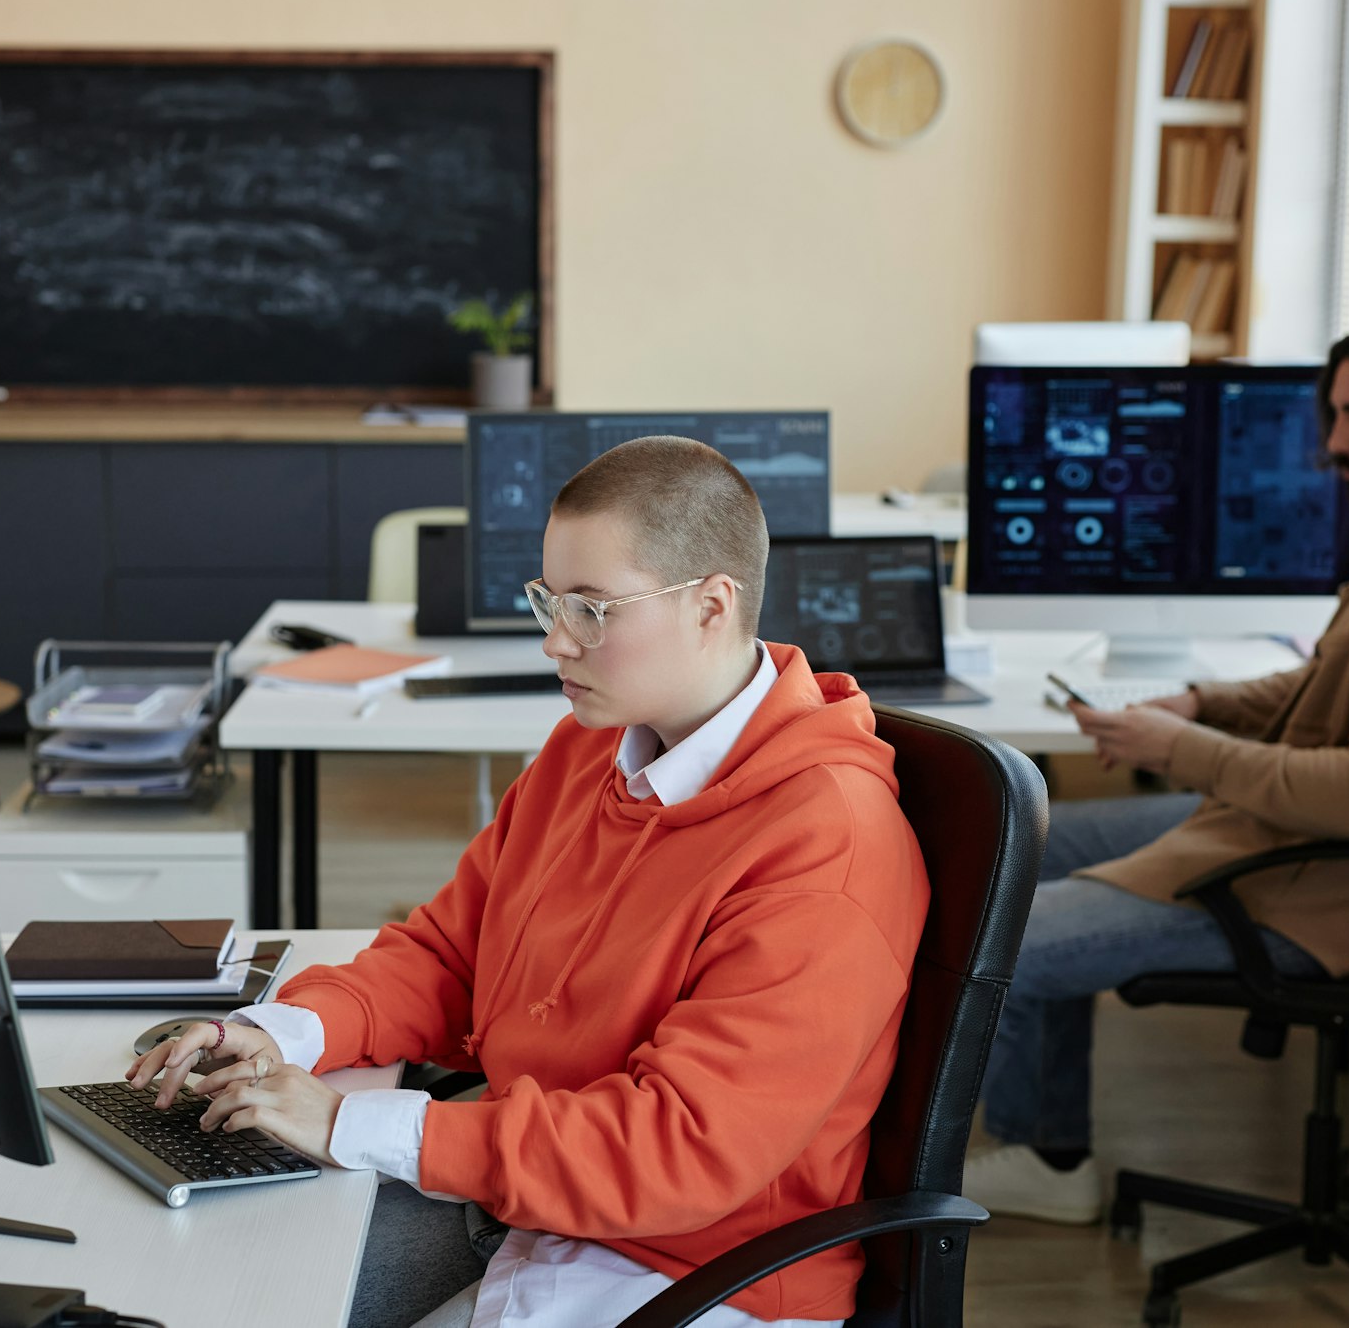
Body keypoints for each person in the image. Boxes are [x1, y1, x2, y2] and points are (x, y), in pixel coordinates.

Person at [128, 436, 930, 1327]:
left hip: (690, 1275)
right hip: (529, 1201)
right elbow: (448, 953)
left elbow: (678, 1150)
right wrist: (282, 1032)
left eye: (592, 609)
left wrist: (350, 1123)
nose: (554, 640)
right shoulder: (588, 748)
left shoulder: (827, 843)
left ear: (712, 606)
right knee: (208, 1272)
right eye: (549, 599)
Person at [964, 311, 1349, 1224]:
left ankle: (1046, 1157)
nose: (1333, 444)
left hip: (1317, 891)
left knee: (999, 936)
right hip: (1289, 844)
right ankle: (1042, 1133)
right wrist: (1202, 704)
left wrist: (1180, 751)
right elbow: (1329, 684)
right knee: (1024, 838)